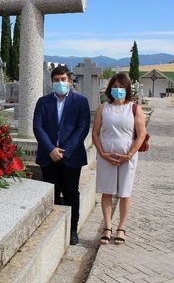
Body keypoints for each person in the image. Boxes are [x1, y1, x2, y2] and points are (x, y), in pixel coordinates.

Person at [33, 65, 90, 245]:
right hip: (48, 157)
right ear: (52, 82)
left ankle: (72, 229)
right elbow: (38, 127)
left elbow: (82, 128)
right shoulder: (43, 102)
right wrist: (50, 149)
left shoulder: (80, 102)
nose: (60, 83)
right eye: (56, 80)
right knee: (52, 193)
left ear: (70, 81)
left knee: (72, 193)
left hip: (71, 157)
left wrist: (65, 151)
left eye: (63, 79)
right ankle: (51, 229)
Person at [92, 73, 146, 245]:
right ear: (109, 89)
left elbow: (141, 135)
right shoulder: (103, 108)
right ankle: (107, 227)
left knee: (124, 193)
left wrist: (128, 155)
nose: (117, 90)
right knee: (106, 191)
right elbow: (95, 132)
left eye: (121, 87)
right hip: (106, 155)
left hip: (127, 156)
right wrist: (102, 153)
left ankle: (121, 228)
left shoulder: (134, 108)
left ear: (127, 89)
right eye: (114, 87)